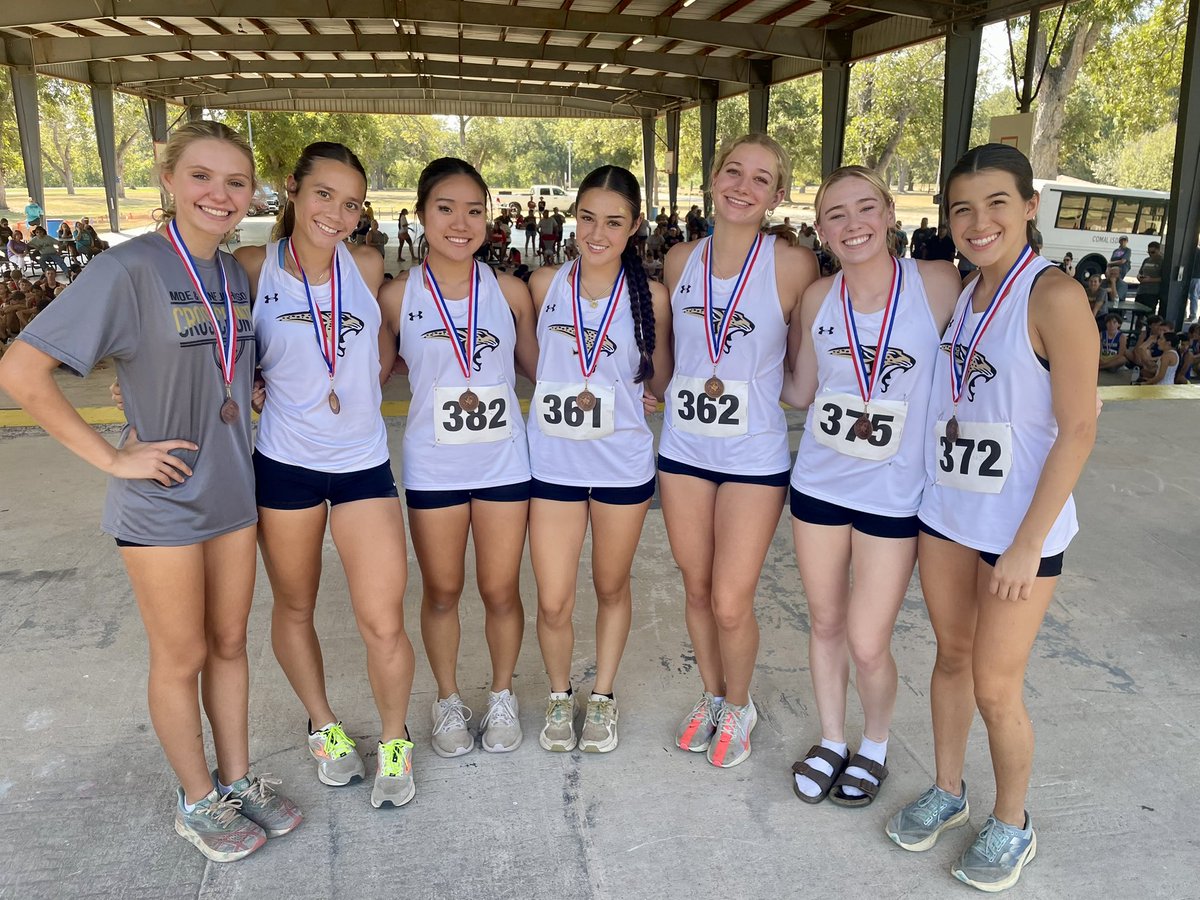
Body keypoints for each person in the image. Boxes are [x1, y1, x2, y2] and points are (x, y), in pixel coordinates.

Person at [0, 121, 301, 862]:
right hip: (163, 499)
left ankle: (236, 778)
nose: (220, 195)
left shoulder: (232, 274)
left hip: (234, 487)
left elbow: (219, 363)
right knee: (183, 654)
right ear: (168, 179)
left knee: (231, 644)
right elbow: (20, 370)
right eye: (202, 177)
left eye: (236, 182)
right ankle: (195, 798)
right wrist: (110, 456)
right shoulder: (127, 269)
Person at [886, 144, 1096, 892]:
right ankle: (948, 789)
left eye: (997, 203)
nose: (979, 222)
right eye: (962, 208)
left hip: (1018, 532)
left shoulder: (1054, 296)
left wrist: (1027, 543)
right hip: (947, 511)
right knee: (949, 656)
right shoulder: (965, 293)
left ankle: (1013, 823)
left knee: (996, 686)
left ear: (1029, 207)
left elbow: (1078, 429)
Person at [236, 142, 417, 810]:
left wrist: (377, 368)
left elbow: (383, 339)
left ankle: (396, 740)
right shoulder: (255, 269)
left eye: (350, 203)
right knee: (294, 606)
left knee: (383, 620)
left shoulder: (366, 265)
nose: (337, 214)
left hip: (363, 464)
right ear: (292, 189)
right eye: (324, 196)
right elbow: (216, 346)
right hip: (286, 464)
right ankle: (322, 723)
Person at [781, 166, 960, 808]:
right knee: (825, 623)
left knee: (866, 638)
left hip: (894, 494)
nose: (852, 224)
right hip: (821, 483)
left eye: (865, 209)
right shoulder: (817, 298)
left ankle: (876, 744)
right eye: (835, 214)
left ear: (888, 214)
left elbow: (990, 339)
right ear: (821, 229)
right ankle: (832, 738)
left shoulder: (936, 282)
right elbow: (801, 390)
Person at [660, 133, 819, 768]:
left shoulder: (792, 264)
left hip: (753, 454)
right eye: (733, 171)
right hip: (684, 447)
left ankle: (741, 702)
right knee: (696, 588)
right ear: (712, 178)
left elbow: (808, 358)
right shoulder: (679, 260)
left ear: (777, 195)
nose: (743, 186)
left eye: (761, 178)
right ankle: (712, 693)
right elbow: (670, 354)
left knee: (731, 597)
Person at [378, 158, 539, 759]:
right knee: (442, 591)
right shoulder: (397, 296)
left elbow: (540, 370)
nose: (461, 221)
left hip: (503, 465)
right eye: (445, 208)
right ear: (421, 214)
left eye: (475, 209)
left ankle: (501, 693)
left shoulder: (510, 290)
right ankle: (447, 698)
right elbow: (366, 369)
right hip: (434, 465)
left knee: (500, 590)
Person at [524, 166, 672, 754]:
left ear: (634, 226)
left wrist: (647, 392)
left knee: (610, 586)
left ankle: (603, 696)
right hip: (554, 465)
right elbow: (534, 365)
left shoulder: (652, 296)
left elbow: (657, 379)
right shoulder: (542, 285)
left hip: (621, 466)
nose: (598, 232)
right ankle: (560, 697)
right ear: (573, 218)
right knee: (554, 598)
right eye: (587, 218)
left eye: (614, 221)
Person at [1135, 241, 1166, 317]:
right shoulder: (1146, 260)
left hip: (1152, 291)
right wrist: (1139, 277)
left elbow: (1164, 278)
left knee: (1149, 313)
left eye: (1152, 252)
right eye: (1148, 252)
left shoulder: (1162, 261)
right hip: (1141, 290)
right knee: (1138, 313)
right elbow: (1140, 272)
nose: (1150, 254)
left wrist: (1150, 280)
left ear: (1158, 250)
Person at [1106, 236, 1133, 303]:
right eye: (1122, 240)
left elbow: (1123, 261)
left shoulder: (1127, 250)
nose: (1123, 242)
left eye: (1125, 240)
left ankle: (1116, 296)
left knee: (1117, 283)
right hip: (1112, 268)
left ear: (1127, 242)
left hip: (1121, 269)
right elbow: (1111, 261)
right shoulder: (1116, 251)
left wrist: (1111, 263)